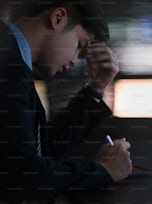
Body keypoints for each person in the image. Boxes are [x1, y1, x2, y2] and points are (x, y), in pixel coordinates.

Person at [0, 0, 132, 201]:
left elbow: (41, 149)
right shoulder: (8, 69)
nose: (74, 60)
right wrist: (103, 170)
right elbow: (23, 176)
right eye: (80, 45)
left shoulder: (15, 62)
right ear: (58, 18)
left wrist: (95, 89)